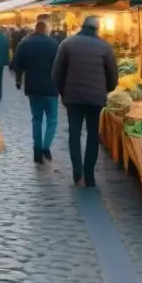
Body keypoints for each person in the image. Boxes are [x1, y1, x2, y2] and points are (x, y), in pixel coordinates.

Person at [53, 15, 119, 187]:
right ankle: (89, 176)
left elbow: (57, 73)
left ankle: (77, 172)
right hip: (95, 99)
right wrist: (106, 90)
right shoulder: (104, 47)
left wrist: (63, 92)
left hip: (73, 98)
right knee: (92, 136)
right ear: (97, 28)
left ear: (82, 26)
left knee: (74, 135)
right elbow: (113, 76)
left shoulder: (67, 44)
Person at [12, 20, 60, 165]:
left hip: (32, 87)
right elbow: (61, 65)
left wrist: (18, 80)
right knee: (52, 120)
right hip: (51, 87)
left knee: (37, 119)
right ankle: (46, 146)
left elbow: (17, 63)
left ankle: (37, 150)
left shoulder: (25, 43)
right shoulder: (54, 44)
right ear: (46, 29)